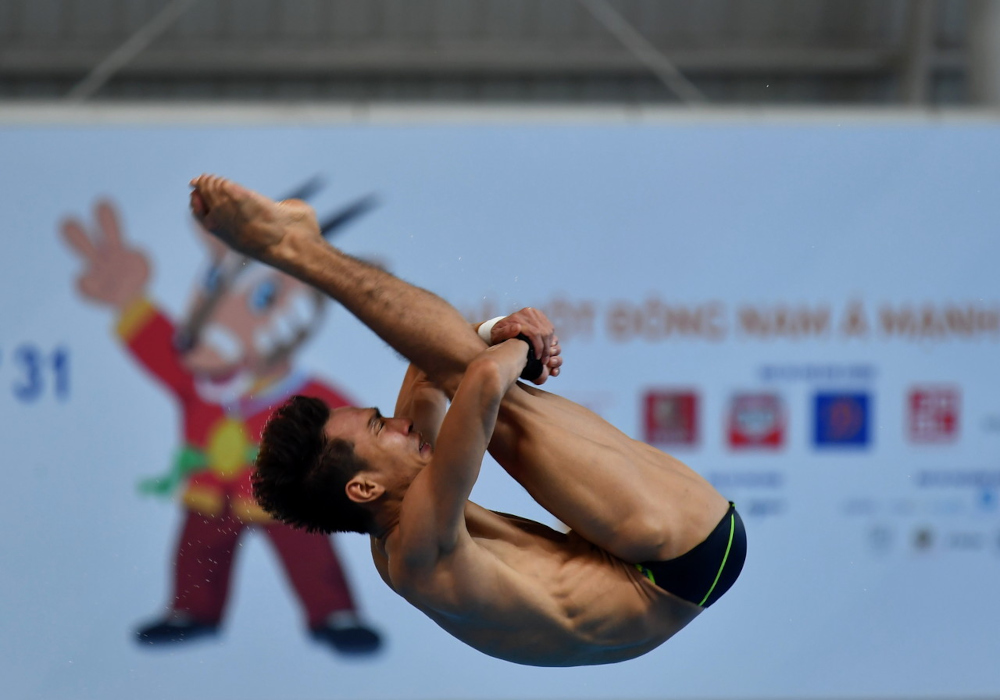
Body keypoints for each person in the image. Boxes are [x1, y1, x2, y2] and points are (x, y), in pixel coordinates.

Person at [188, 174, 746, 667]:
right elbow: (479, 382)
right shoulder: (417, 551)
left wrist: (495, 332)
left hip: (659, 571)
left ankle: (302, 247)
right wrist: (526, 341)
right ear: (363, 487)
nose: (401, 426)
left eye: (383, 419)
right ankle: (293, 248)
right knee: (488, 390)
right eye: (381, 429)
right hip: (672, 559)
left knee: (454, 367)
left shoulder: (394, 520)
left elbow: (427, 372)